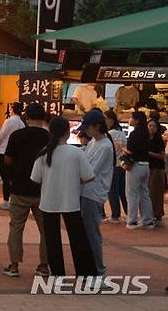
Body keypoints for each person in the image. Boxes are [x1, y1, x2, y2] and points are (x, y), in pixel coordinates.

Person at [31, 116, 97, 277]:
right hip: (71, 201)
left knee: (52, 241)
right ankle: (86, 274)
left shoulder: (43, 154)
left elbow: (35, 179)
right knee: (78, 240)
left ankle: (58, 274)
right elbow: (89, 177)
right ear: (68, 133)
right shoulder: (76, 153)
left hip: (48, 202)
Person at [2, 103, 49, 277]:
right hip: (42, 191)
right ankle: (44, 265)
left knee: (16, 227)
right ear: (43, 117)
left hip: (19, 188)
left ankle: (14, 265)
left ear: (26, 117)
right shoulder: (49, 137)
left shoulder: (17, 135)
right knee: (45, 229)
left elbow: (7, 159)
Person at [78, 110, 115, 276]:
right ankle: (89, 267)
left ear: (97, 126)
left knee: (92, 233)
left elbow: (90, 172)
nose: (86, 131)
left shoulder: (106, 146)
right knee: (87, 232)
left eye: (88, 127)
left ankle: (98, 270)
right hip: (85, 192)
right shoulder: (93, 142)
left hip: (93, 194)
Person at [123, 112, 155, 230]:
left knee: (132, 194)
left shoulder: (134, 134)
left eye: (131, 117)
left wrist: (121, 147)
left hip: (135, 166)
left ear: (136, 120)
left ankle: (132, 221)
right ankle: (148, 220)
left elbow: (130, 151)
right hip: (146, 166)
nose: (129, 119)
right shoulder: (146, 133)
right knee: (144, 193)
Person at [0, 102, 25, 210]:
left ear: (12, 109)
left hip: (4, 151)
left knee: (5, 177)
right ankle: (13, 199)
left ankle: (6, 200)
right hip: (17, 154)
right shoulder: (21, 123)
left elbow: (2, 135)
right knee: (13, 177)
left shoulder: (9, 121)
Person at [103, 110, 128, 223]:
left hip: (113, 165)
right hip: (122, 165)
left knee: (112, 191)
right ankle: (129, 213)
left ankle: (115, 215)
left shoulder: (110, 134)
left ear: (111, 120)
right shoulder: (122, 133)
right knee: (123, 191)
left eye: (105, 119)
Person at [148, 119, 165, 227]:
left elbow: (162, 156)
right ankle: (151, 213)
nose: (151, 128)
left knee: (156, 192)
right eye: (149, 125)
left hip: (157, 168)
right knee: (150, 192)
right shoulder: (146, 139)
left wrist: (150, 153)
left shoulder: (158, 140)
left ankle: (157, 214)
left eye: (153, 126)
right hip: (149, 168)